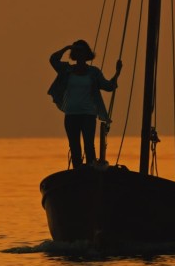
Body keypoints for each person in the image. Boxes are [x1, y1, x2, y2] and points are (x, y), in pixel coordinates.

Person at [47, 40, 122, 169]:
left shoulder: (94, 72)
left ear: (87, 54)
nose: (79, 53)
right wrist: (67, 47)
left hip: (88, 114)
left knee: (89, 144)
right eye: (77, 51)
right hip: (71, 114)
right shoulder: (67, 70)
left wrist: (117, 73)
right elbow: (53, 59)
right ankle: (78, 171)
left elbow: (108, 86)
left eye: (82, 51)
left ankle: (91, 169)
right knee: (74, 145)